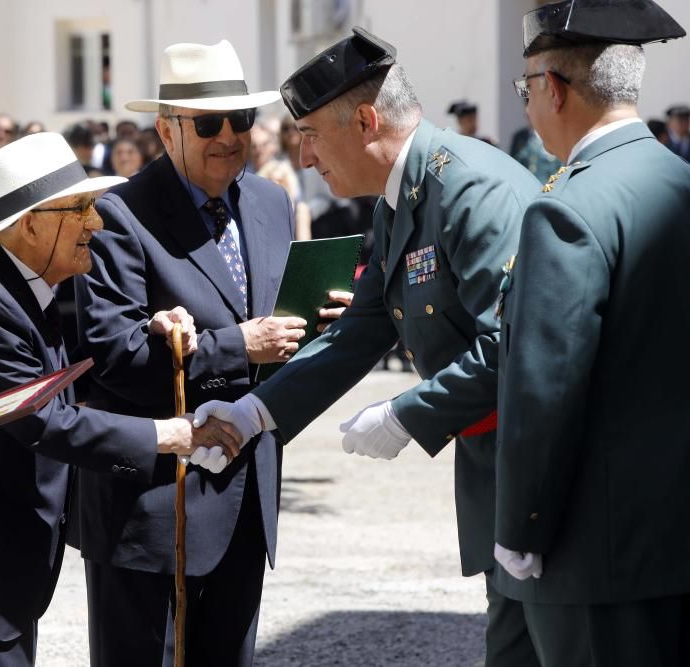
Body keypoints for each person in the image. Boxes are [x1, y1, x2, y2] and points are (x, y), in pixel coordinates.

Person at [195, 27, 543, 665]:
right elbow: (364, 326)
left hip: (542, 467)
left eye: (310, 135)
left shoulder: (468, 190)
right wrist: (255, 414)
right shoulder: (403, 197)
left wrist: (405, 414)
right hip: (500, 459)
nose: (303, 158)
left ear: (364, 120)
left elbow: (511, 347)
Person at [0, 132, 238, 667]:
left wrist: (148, 328)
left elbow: (59, 376)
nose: (97, 223)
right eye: (80, 208)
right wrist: (168, 434)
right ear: (30, 223)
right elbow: (43, 421)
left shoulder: (16, 282)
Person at [72, 39, 300, 666]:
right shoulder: (118, 214)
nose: (229, 136)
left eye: (241, 119)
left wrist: (317, 323)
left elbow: (278, 319)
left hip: (246, 490)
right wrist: (237, 346)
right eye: (209, 123)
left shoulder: (271, 202)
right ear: (167, 130)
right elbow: (112, 354)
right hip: (152, 506)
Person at [493, 2, 690, 663]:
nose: (527, 104)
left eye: (526, 89)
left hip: (597, 553)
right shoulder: (679, 182)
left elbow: (545, 389)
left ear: (551, 87)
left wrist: (520, 527)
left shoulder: (566, 208)